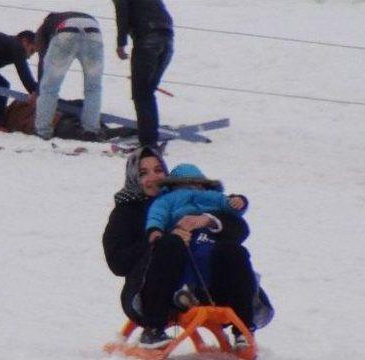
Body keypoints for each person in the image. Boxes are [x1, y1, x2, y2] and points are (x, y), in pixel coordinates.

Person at [102, 147, 273, 349]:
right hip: (150, 292)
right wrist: (159, 240)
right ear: (133, 178)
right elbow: (118, 262)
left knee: (232, 251)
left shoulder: (191, 199)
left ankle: (243, 326)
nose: (153, 177)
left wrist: (206, 220)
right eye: (143, 173)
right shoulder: (127, 212)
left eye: (158, 170)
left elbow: (240, 229)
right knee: (170, 245)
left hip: (206, 286)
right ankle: (154, 328)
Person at [34, 11, 113, 142]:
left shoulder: (44, 28)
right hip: (94, 30)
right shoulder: (62, 17)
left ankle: (42, 131)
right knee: (93, 87)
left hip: (66, 31)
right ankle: (91, 131)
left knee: (49, 88)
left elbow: (43, 61)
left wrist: (38, 90)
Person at [112, 0, 174, 147]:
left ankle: (148, 143)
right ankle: (150, 138)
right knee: (148, 92)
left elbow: (122, 14)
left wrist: (121, 43)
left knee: (141, 93)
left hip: (147, 40)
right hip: (167, 39)